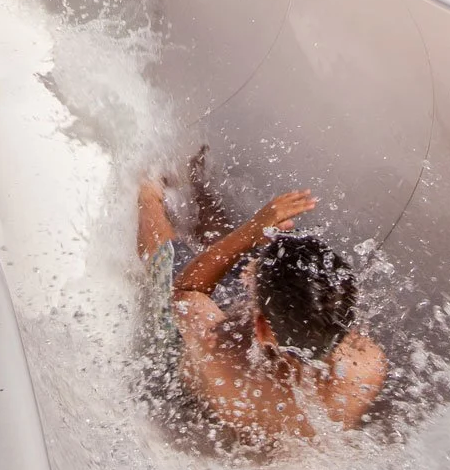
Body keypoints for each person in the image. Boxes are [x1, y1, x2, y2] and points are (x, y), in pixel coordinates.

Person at [137, 170, 387, 445]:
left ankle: (149, 191)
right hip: (267, 341)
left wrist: (253, 229)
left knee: (168, 261)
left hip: (188, 355)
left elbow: (187, 290)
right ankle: (200, 185)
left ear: (263, 329)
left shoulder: (220, 355)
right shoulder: (367, 366)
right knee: (256, 264)